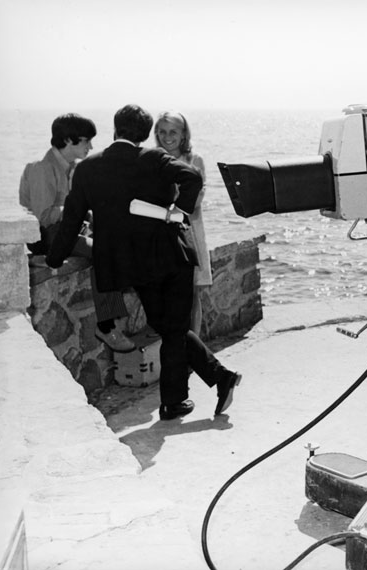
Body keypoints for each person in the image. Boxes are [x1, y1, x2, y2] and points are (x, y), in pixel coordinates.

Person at [46, 104, 242, 421]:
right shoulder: (153, 159)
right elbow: (191, 176)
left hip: (134, 266)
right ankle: (183, 397)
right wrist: (178, 211)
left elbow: (72, 221)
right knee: (174, 328)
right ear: (144, 134)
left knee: (169, 328)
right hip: (170, 256)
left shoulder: (87, 169)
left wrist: (55, 258)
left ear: (115, 129)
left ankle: (212, 382)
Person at [19, 113, 134, 353]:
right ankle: (106, 325)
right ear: (69, 140)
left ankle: (114, 315)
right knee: (101, 253)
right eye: (86, 141)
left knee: (113, 245)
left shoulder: (74, 169)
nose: (91, 147)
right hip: (50, 236)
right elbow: (45, 217)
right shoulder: (42, 169)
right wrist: (77, 209)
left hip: (70, 231)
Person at [154, 111, 211, 335]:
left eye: (173, 132)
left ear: (184, 133)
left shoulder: (194, 161)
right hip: (161, 235)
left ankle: (193, 350)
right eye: (162, 131)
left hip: (190, 233)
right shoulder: (152, 158)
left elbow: (196, 200)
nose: (168, 137)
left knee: (192, 295)